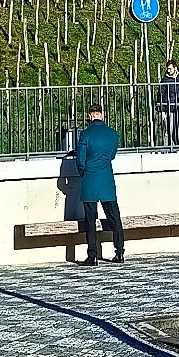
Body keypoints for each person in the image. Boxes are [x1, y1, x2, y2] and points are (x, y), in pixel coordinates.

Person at [74, 105, 125, 265]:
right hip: (106, 179)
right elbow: (112, 155)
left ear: (90, 116)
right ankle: (120, 251)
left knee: (90, 219)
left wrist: (85, 172)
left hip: (90, 178)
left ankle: (92, 255)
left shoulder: (85, 134)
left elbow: (80, 160)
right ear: (102, 115)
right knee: (114, 217)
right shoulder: (112, 134)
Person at [156, 60, 179, 144]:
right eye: (167, 69)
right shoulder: (165, 80)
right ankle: (170, 147)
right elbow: (161, 95)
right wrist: (162, 110)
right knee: (169, 129)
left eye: (170, 69)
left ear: (175, 68)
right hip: (169, 108)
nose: (168, 70)